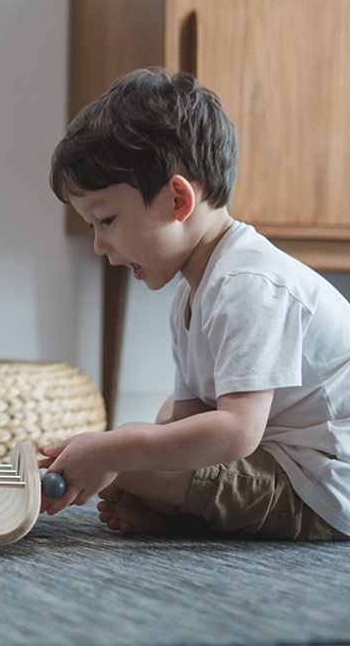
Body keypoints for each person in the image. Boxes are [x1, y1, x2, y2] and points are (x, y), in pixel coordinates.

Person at [43, 67, 350, 540]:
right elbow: (189, 418)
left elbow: (236, 432)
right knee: (129, 453)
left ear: (177, 200)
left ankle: (182, 514)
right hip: (279, 460)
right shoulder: (192, 290)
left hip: (322, 486)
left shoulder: (249, 284)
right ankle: (180, 516)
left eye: (106, 221)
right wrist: (106, 449)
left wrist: (114, 451)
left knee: (126, 461)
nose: (100, 246)